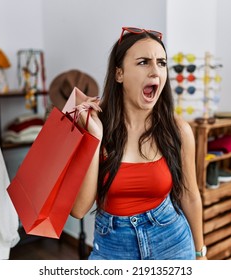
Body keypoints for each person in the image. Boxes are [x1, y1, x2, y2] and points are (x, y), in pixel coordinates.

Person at [70, 27, 206, 260]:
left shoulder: (178, 130)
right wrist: (95, 136)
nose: (155, 71)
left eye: (161, 63)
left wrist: (200, 252)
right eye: (144, 62)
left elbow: (190, 195)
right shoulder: (92, 124)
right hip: (113, 248)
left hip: (171, 243)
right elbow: (79, 210)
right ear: (119, 74)